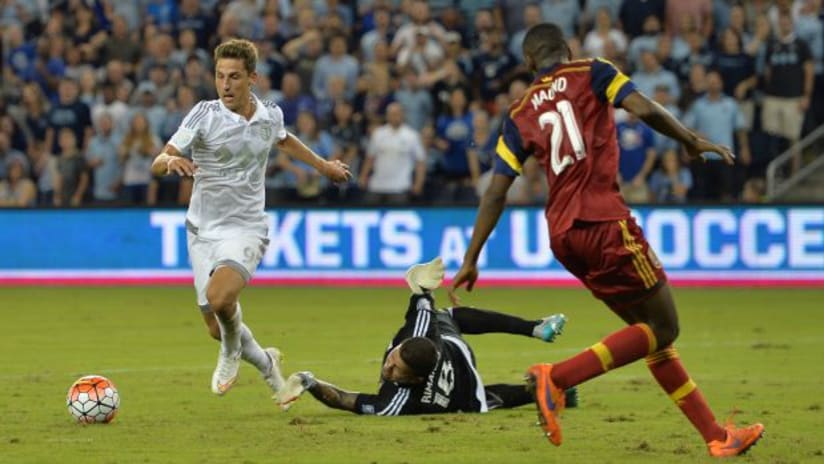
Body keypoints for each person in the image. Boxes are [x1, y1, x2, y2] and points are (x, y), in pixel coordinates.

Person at [449, 23, 763, 457]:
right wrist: (689, 141)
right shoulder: (592, 71)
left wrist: (471, 258)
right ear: (568, 48)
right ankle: (556, 377)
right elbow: (645, 110)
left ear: (528, 63)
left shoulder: (518, 112)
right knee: (666, 326)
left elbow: (496, 191)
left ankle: (717, 437)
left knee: (649, 333)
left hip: (563, 237)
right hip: (604, 222)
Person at [149, 38, 350, 397]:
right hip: (202, 230)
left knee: (221, 299)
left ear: (252, 78)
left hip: (246, 227)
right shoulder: (204, 114)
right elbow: (158, 161)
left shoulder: (270, 114)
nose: (226, 85)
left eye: (235, 77)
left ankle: (230, 353)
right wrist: (171, 161)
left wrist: (324, 167)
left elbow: (284, 140)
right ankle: (266, 363)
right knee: (215, 323)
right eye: (220, 76)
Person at [276, 258, 573, 416]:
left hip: (457, 386)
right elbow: (423, 298)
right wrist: (422, 283)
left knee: (481, 402)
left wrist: (309, 381)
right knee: (448, 316)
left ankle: (544, 390)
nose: (387, 369)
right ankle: (536, 331)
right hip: (450, 347)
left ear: (414, 380)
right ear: (403, 344)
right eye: (392, 360)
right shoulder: (418, 330)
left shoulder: (398, 402)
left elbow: (344, 400)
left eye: (395, 371)